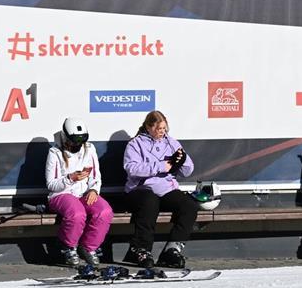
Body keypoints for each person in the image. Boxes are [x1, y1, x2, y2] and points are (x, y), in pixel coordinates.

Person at [122, 110, 198, 268]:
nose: (162, 132)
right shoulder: (135, 144)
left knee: (188, 205)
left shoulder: (171, 142)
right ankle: (140, 249)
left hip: (166, 189)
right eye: (158, 129)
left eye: (164, 129)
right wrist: (161, 166)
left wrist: (182, 161)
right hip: (141, 189)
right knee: (150, 201)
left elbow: (187, 171)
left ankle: (172, 250)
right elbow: (131, 168)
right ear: (149, 127)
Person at [45, 117, 112, 267]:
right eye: (74, 142)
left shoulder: (89, 149)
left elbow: (96, 176)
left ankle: (89, 247)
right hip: (61, 194)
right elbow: (51, 184)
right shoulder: (55, 152)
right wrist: (70, 178)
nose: (77, 145)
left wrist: (94, 189)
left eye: (80, 142)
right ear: (65, 137)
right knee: (77, 213)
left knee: (104, 211)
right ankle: (68, 247)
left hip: (83, 193)